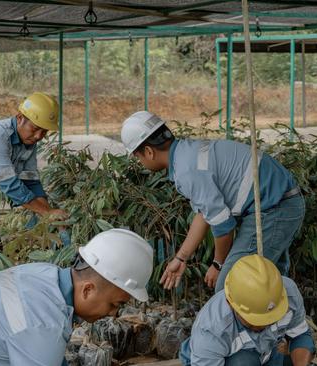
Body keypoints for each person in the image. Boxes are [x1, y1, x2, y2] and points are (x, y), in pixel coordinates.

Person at [120, 111, 304, 292]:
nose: (139, 162)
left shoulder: (187, 170)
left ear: (149, 152)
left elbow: (223, 225)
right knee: (267, 286)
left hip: (275, 209)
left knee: (232, 285)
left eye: (137, 157)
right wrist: (181, 258)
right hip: (278, 204)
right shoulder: (187, 155)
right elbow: (205, 214)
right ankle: (282, 320)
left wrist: (218, 264)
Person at [0, 228, 153, 365]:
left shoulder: (46, 274)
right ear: (87, 290)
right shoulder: (43, 323)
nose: (114, 314)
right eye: (115, 304)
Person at [0, 92, 68, 250]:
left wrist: (49, 212)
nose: (38, 136)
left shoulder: (27, 142)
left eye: (44, 132)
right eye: (35, 129)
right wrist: (47, 213)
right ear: (20, 117)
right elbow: (10, 184)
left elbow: (31, 181)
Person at [179, 254, 315, 366]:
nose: (264, 324)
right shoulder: (211, 331)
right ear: (230, 303)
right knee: (243, 362)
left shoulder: (288, 294)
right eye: (254, 320)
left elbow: (301, 336)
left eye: (270, 317)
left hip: (267, 351)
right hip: (219, 360)